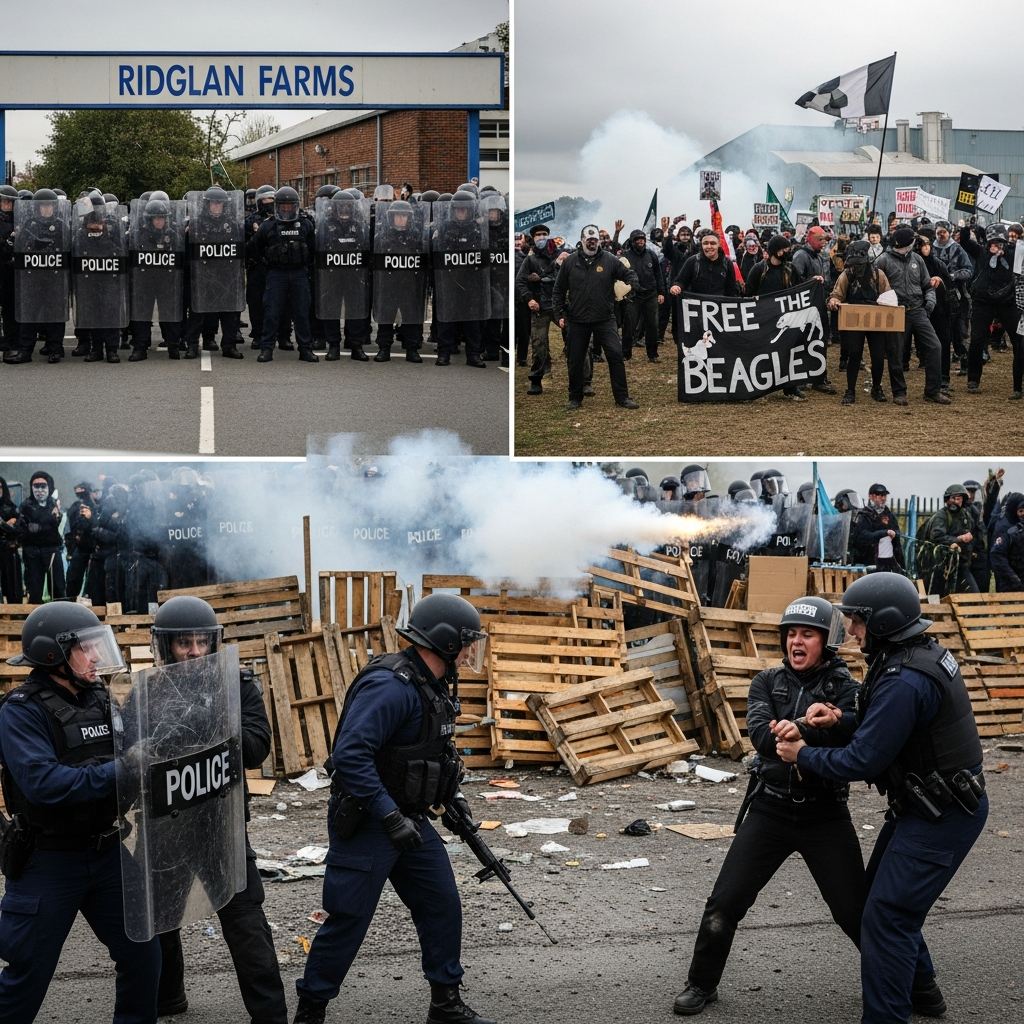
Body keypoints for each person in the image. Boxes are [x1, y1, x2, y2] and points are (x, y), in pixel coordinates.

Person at [775, 573, 988, 1023]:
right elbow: (881, 730)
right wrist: (836, 721)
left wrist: (804, 753)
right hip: (925, 803)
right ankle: (923, 995)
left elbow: (862, 762)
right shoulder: (905, 655)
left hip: (943, 812)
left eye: (857, 622)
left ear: (885, 622)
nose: (852, 631)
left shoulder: (904, 677)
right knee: (883, 902)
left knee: (889, 916)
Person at [293, 594, 495, 1024]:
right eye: (466, 643)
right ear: (444, 642)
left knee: (441, 904)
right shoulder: (391, 686)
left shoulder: (432, 683)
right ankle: (310, 1011)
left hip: (410, 820)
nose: (469, 654)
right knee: (347, 920)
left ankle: (445, 1005)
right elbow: (349, 757)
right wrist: (388, 815)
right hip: (369, 821)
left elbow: (431, 751)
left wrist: (452, 796)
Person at [673, 598, 863, 1016]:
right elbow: (760, 736)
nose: (796, 641)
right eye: (791, 633)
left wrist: (804, 735)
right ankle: (701, 984)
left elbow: (853, 740)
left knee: (856, 913)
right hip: (770, 810)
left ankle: (915, 983)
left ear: (826, 642)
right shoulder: (766, 682)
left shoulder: (848, 691)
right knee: (724, 903)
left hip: (825, 814)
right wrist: (796, 734)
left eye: (807, 634)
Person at [0, 603, 162, 1022]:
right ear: (53, 654)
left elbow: (133, 752)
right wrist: (123, 769)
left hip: (107, 853)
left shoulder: (98, 698)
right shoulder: (21, 710)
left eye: (97, 645)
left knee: (144, 957)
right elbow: (45, 785)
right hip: (49, 859)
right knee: (27, 975)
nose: (96, 656)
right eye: (86, 648)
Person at [148, 597, 288, 1022]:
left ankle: (271, 1016)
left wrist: (214, 719)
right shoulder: (149, 691)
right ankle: (168, 1000)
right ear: (166, 646)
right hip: (165, 825)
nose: (193, 653)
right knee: (160, 924)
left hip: (219, 824)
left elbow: (257, 747)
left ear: (214, 643)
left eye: (201, 643)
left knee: (246, 924)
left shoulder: (237, 684)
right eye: (184, 644)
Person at [552, 224, 639, 412]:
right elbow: (558, 290)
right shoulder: (569, 262)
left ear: (598, 241)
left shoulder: (610, 260)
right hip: (577, 319)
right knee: (575, 359)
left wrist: (631, 286)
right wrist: (560, 313)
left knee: (615, 355)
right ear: (582, 240)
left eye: (595, 240)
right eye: (588, 240)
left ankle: (622, 397)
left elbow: (629, 274)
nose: (592, 243)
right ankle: (575, 397)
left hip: (605, 318)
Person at [875, 225, 950, 406]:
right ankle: (899, 392)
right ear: (910, 243)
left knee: (935, 347)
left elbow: (927, 285)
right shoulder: (882, 261)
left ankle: (933, 390)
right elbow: (874, 288)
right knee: (896, 353)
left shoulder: (918, 260)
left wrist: (929, 305)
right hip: (896, 311)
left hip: (918, 310)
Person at [253, 186, 317, 363]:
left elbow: (312, 248)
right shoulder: (269, 225)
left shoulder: (305, 224)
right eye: (284, 205)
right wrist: (267, 265)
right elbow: (255, 248)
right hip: (277, 273)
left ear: (295, 205)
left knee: (302, 312)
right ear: (277, 206)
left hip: (299, 273)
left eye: (290, 205)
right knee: (272, 312)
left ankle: (305, 349)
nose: (287, 209)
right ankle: (267, 349)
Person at [827, 239, 895, 404]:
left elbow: (888, 296)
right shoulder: (846, 275)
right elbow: (836, 294)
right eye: (852, 265)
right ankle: (850, 390)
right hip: (854, 319)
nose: (854, 268)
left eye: (858, 265)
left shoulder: (878, 275)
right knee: (855, 354)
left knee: (878, 356)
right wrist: (834, 301)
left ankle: (877, 388)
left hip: (875, 320)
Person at [961, 223, 1021, 398]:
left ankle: (1019, 380)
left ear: (1004, 242)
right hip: (983, 302)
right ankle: (973, 379)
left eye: (998, 242)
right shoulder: (981, 252)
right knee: (977, 340)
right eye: (991, 242)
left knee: (1019, 340)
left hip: (1007, 302)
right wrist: (965, 228)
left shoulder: (1013, 253)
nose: (994, 245)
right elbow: (965, 242)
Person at [745, 235, 806, 400]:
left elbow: (800, 289)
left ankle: (790, 387)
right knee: (762, 352)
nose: (787, 251)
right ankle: (760, 386)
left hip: (785, 318)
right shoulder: (759, 269)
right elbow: (748, 294)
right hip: (763, 318)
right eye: (783, 249)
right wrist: (753, 300)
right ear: (775, 251)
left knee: (788, 351)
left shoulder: (790, 269)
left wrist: (814, 281)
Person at [516, 227, 567, 396]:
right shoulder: (530, 260)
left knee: (577, 341)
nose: (542, 237)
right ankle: (536, 379)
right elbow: (520, 282)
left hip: (561, 306)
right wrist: (529, 298)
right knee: (539, 345)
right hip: (540, 306)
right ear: (533, 238)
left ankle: (583, 381)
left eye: (544, 234)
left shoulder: (560, 254)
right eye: (538, 235)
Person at [790, 226, 837, 395]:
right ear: (811, 238)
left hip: (818, 306)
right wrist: (812, 281)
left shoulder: (818, 256)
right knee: (804, 342)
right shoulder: (802, 256)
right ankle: (803, 378)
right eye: (820, 239)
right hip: (805, 309)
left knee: (819, 341)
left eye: (825, 239)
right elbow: (794, 281)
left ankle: (818, 377)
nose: (824, 242)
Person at [919, 484, 979, 596]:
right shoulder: (941, 516)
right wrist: (957, 539)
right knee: (936, 598)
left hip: (961, 564)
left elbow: (974, 533)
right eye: (953, 498)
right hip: (939, 566)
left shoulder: (966, 516)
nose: (956, 502)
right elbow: (937, 536)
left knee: (973, 595)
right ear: (947, 499)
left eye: (958, 499)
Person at [16, 470, 65, 604]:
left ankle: (60, 619)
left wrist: (41, 526)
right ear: (32, 488)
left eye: (43, 486)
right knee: (34, 589)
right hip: (32, 551)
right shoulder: (25, 505)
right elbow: (23, 527)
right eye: (36, 487)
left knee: (58, 588)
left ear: (49, 487)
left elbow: (54, 524)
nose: (40, 490)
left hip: (52, 550)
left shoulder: (55, 504)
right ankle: (35, 622)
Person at [619, 229, 666, 362]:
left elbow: (659, 275)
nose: (641, 241)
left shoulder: (651, 255)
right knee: (629, 326)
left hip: (650, 295)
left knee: (652, 326)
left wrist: (661, 292)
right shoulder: (625, 256)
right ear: (632, 241)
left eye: (642, 239)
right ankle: (626, 354)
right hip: (632, 296)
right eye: (638, 239)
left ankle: (653, 354)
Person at [850, 483, 905, 571]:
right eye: (879, 495)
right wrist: (884, 533)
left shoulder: (890, 515)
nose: (883, 498)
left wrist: (895, 534)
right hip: (869, 562)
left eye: (884, 496)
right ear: (871, 497)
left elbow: (897, 535)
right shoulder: (864, 515)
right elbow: (862, 536)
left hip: (888, 563)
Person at [64, 481, 98, 600]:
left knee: (92, 583)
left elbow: (98, 526)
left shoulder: (97, 507)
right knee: (73, 579)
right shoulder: (74, 507)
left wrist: (91, 518)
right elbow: (69, 528)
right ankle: (69, 603)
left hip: (94, 548)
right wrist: (72, 545)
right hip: (79, 548)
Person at [988, 491, 1024, 591]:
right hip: (1007, 576)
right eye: (1020, 511)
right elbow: (997, 555)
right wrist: (1011, 576)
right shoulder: (1003, 527)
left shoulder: (1018, 523)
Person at [0, 476, 23, 604]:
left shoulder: (12, 508)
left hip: (8, 551)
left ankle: (16, 614)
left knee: (12, 586)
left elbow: (18, 531)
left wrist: (3, 525)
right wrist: (6, 525)